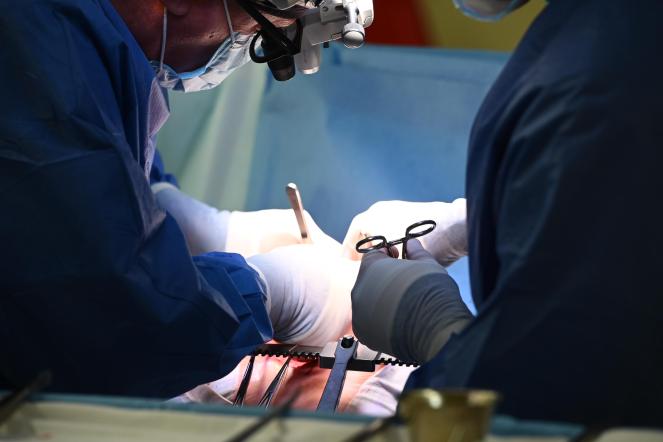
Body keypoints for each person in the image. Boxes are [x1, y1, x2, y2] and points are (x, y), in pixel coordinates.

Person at [0, 0, 356, 398]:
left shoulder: (79, 38)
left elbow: (93, 161)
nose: (242, 47)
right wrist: (271, 291)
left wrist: (171, 203)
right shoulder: (42, 54)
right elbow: (116, 325)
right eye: (257, 32)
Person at [347, 0, 663, 427]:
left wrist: (441, 340)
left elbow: (554, 394)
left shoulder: (598, 80)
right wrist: (496, 216)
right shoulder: (608, 32)